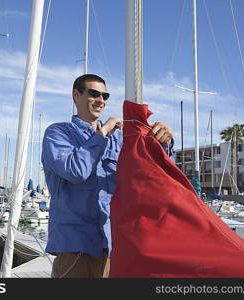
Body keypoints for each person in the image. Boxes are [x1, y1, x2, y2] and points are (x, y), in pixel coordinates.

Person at [41, 74, 173, 278]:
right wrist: (102, 135)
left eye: (105, 95)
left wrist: (164, 142)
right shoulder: (58, 133)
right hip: (74, 247)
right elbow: (76, 171)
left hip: (112, 246)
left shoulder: (118, 139)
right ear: (76, 95)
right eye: (94, 93)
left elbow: (152, 172)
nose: (100, 100)